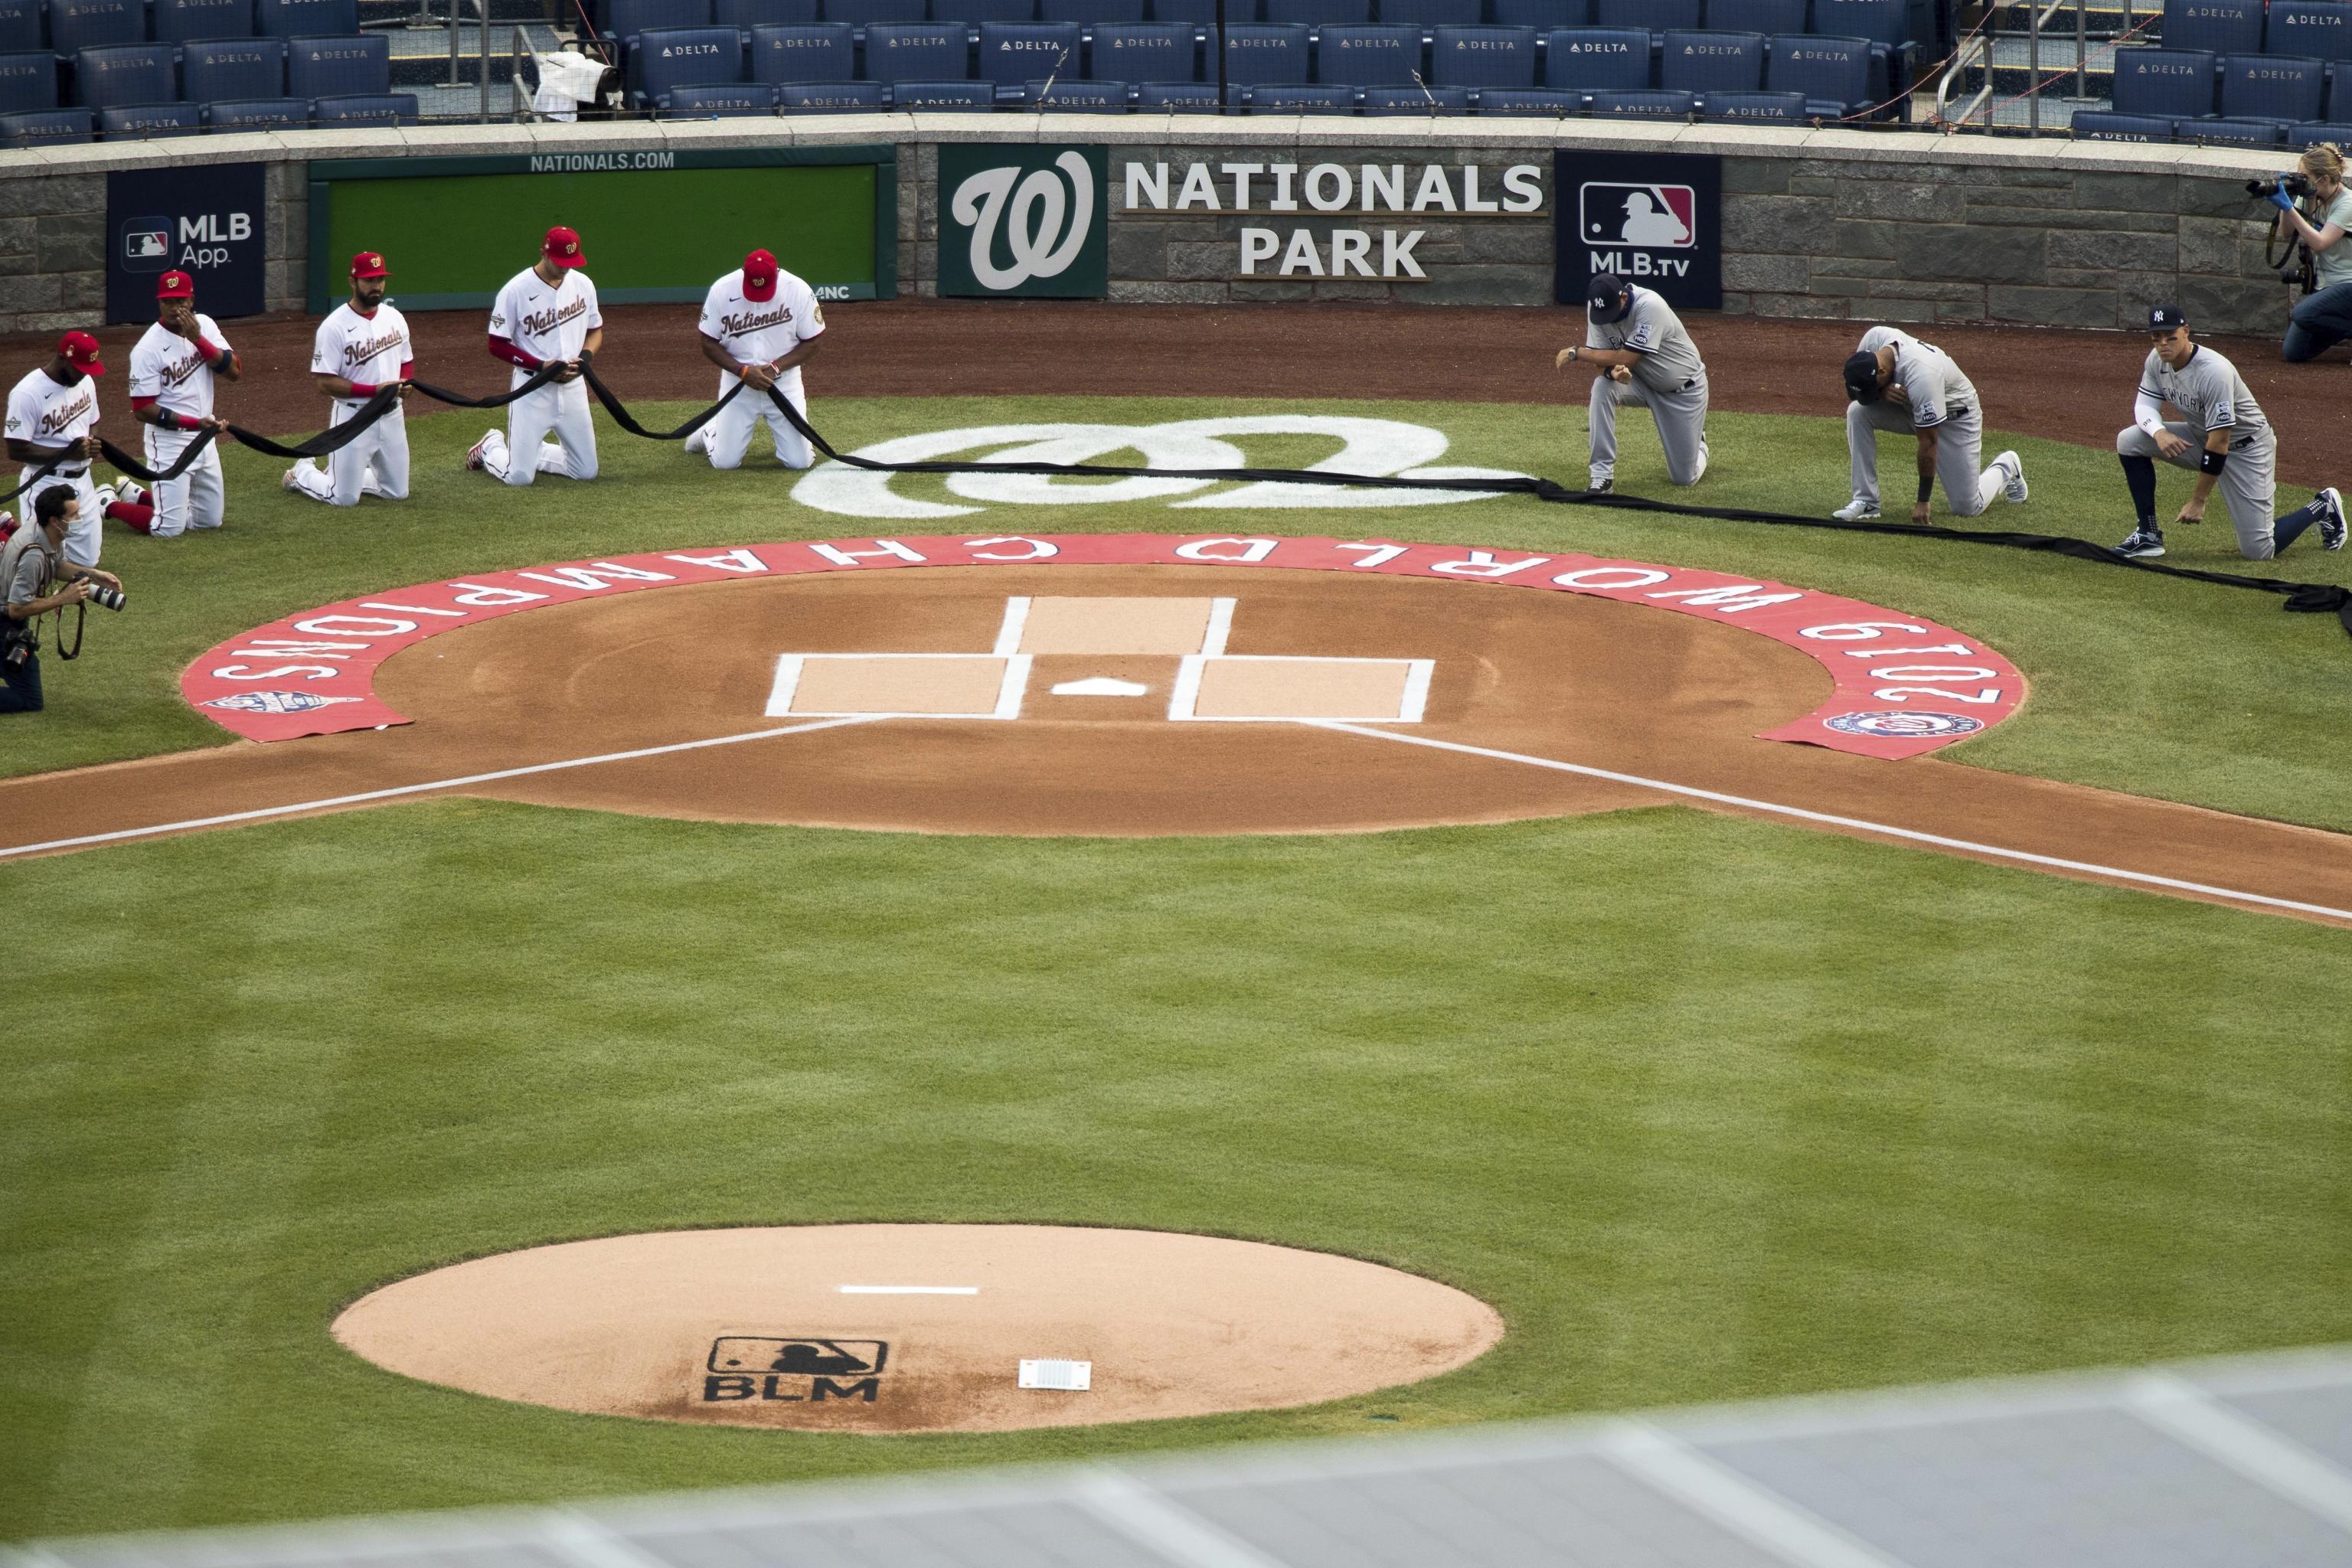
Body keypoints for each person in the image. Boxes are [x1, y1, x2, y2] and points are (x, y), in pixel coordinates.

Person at [2113, 302, 2344, 560]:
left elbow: (2220, 442)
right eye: (2157, 338)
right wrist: (2159, 433)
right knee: (2129, 440)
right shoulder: (2157, 361)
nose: (2163, 344)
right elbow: (2145, 406)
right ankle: (2148, 535)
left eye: (2171, 337)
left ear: (2186, 332)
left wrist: (2198, 500)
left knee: (2259, 550)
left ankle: (2323, 505)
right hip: (2202, 439)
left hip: (2248, 449)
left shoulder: (2214, 372)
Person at [1835, 326, 2027, 524]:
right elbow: (1862, 391)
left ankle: (2008, 465)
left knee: (1968, 507)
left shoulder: (1922, 376)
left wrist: (1923, 501)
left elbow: (1928, 442)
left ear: (1882, 371)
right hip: (1911, 408)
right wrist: (1880, 393)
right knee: (1857, 411)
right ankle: (1866, 501)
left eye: (1874, 387)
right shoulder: (1873, 340)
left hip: (1957, 419)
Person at [5, 332, 153, 569]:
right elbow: (16, 450)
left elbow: (92, 419)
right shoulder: (27, 393)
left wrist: (91, 439)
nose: (83, 374)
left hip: (83, 482)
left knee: (88, 561)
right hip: (46, 484)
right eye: (79, 368)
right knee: (41, 561)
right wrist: (67, 454)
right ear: (62, 358)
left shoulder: (85, 381)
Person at [467, 225, 603, 485]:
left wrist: (585, 358)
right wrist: (542, 365)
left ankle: (532, 452)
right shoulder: (515, 290)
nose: (565, 268)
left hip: (574, 388)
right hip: (532, 389)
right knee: (519, 478)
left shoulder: (583, 284)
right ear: (543, 253)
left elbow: (596, 330)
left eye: (570, 261)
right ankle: (491, 447)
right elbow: (497, 344)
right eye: (560, 261)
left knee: (585, 472)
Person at [1555, 274, 1708, 495]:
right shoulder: (1597, 309)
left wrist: (1577, 353)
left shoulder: (1650, 305)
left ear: (1624, 297)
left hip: (1683, 392)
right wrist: (1611, 372)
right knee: (1602, 387)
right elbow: (1602, 361)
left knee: (1684, 478)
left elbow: (1627, 358)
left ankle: (1699, 443)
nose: (1607, 319)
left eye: (1611, 312)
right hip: (1639, 383)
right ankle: (1601, 477)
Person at [287, 251, 414, 507]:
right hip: (353, 417)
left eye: (380, 279)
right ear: (353, 282)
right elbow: (325, 383)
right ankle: (302, 473)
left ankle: (344, 473)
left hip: (391, 415)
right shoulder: (333, 327)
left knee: (397, 493)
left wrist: (405, 382)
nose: (376, 286)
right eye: (368, 280)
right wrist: (374, 391)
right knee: (343, 498)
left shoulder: (394, 318)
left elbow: (406, 361)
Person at [683, 247, 826, 471]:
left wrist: (776, 368)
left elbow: (814, 342)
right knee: (725, 463)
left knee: (799, 463)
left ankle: (797, 444)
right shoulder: (722, 290)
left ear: (777, 275)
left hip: (784, 384)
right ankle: (709, 431)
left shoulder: (798, 290)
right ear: (744, 274)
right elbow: (708, 342)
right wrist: (741, 371)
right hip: (738, 384)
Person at [127, 270, 241, 541]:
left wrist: (198, 340)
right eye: (168, 301)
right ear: (159, 303)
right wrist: (193, 423)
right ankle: (108, 504)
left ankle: (136, 494)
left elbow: (234, 371)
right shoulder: (147, 349)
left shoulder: (206, 326)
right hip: (169, 442)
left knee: (208, 522)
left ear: (191, 300)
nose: (174, 307)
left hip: (205, 438)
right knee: (168, 529)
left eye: (180, 300)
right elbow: (142, 409)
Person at [1, 488, 122, 715]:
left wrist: (94, 574)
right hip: (5, 624)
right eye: (74, 515)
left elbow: (58, 566)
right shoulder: (33, 554)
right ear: (55, 520)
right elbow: (16, 609)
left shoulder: (49, 534)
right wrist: (63, 599)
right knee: (29, 700)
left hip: (9, 622)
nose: (79, 519)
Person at [2270, 143, 2352, 363]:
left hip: (2348, 283)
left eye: (2304, 176)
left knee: (2303, 313)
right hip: (2326, 286)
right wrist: (2287, 201)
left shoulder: (2348, 204)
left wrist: (2290, 209)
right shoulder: (2309, 197)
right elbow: (2286, 233)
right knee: (2295, 352)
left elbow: (2319, 243)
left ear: (2323, 179)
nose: (2300, 180)